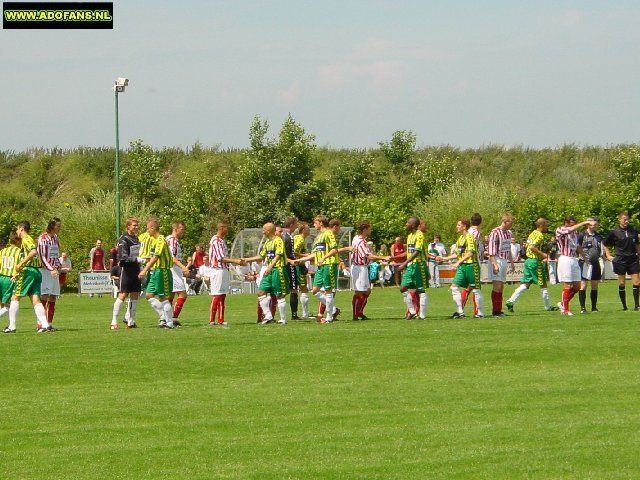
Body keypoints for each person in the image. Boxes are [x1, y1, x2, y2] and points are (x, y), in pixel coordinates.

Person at [6, 220, 51, 333]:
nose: (16, 231)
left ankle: (12, 326)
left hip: (28, 272)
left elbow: (33, 252)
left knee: (15, 297)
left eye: (17, 229)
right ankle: (45, 325)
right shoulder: (29, 239)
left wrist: (21, 264)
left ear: (21, 228)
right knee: (35, 299)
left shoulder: (26, 239)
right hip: (35, 271)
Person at [295, 215, 342, 324]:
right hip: (320, 266)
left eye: (315, 222)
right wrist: (302, 259)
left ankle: (329, 317)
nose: (314, 225)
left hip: (329, 264)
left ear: (321, 223)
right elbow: (315, 254)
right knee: (315, 291)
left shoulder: (328, 233)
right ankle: (334, 310)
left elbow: (334, 249)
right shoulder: (318, 237)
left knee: (328, 290)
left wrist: (324, 258)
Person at [505, 218, 557, 313]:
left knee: (526, 284)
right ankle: (548, 306)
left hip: (528, 261)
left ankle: (510, 301)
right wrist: (543, 254)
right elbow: (532, 247)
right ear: (541, 225)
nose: (547, 227)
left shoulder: (532, 233)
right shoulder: (540, 235)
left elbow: (528, 246)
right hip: (535, 261)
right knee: (543, 284)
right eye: (546, 225)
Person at [243, 222, 290, 324]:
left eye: (264, 229)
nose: (262, 231)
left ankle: (283, 319)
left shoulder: (278, 240)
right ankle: (268, 316)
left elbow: (279, 255)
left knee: (279, 295)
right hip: (269, 270)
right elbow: (261, 256)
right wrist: (247, 260)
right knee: (260, 292)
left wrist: (269, 267)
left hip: (278, 269)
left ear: (269, 230)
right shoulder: (267, 242)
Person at [438, 218, 484, 319]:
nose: (457, 227)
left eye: (459, 225)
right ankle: (460, 312)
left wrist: (458, 262)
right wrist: (444, 258)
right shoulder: (460, 239)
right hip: (463, 266)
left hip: (472, 265)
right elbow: (457, 254)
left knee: (476, 289)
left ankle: (480, 312)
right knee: (454, 286)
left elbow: (471, 252)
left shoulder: (469, 237)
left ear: (464, 226)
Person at [138, 218, 176, 328]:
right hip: (155, 272)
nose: (147, 231)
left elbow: (156, 257)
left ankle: (169, 322)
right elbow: (152, 256)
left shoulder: (160, 239)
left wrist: (144, 270)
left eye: (148, 229)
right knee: (149, 295)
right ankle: (163, 316)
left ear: (153, 228)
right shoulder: (154, 240)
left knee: (163, 297)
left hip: (162, 270)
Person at [349, 221, 390, 320]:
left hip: (361, 267)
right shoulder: (361, 241)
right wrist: (383, 257)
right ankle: (356, 315)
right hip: (359, 267)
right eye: (369, 229)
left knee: (367, 291)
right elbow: (368, 255)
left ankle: (359, 312)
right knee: (359, 292)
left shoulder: (357, 238)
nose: (370, 230)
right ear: (364, 230)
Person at [207, 222, 244, 326]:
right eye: (226, 228)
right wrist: (236, 261)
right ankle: (212, 320)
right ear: (221, 228)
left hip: (223, 270)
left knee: (222, 295)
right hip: (217, 269)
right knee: (217, 294)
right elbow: (221, 258)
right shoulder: (216, 240)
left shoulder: (221, 241)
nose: (227, 230)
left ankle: (221, 319)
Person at [110, 217, 143, 329]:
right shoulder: (123, 239)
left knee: (135, 295)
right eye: (134, 225)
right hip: (126, 270)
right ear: (128, 226)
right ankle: (114, 321)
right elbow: (122, 258)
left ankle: (131, 320)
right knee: (122, 295)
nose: (136, 227)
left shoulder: (136, 239)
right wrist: (136, 259)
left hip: (136, 270)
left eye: (137, 225)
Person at [555, 216, 592, 315]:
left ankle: (562, 303)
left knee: (577, 286)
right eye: (571, 223)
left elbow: (577, 246)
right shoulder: (560, 229)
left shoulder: (574, 233)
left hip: (573, 259)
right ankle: (565, 310)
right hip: (565, 258)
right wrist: (584, 222)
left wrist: (585, 258)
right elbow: (569, 230)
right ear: (566, 223)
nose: (573, 226)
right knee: (567, 284)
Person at [604, 211, 640, 311]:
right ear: (619, 219)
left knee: (637, 282)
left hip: (633, 258)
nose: (626, 221)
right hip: (620, 259)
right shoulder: (614, 232)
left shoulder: (633, 230)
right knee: (622, 283)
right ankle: (624, 306)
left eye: (627, 219)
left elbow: (637, 243)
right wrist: (608, 255)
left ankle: (637, 305)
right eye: (624, 219)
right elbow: (605, 244)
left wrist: (638, 253)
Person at [396, 216, 429, 320]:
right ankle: (412, 311)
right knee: (403, 288)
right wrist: (394, 257)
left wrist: (404, 263)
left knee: (420, 290)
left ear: (413, 225)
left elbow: (417, 251)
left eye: (407, 223)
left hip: (419, 265)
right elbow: (409, 252)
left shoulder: (420, 235)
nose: (406, 224)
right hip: (411, 266)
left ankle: (422, 315)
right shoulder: (410, 236)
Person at [486, 214, 516, 317]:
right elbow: (491, 250)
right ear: (505, 222)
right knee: (497, 285)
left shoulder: (508, 233)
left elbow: (508, 248)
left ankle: (499, 310)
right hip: (497, 259)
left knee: (502, 286)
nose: (511, 226)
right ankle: (495, 311)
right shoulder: (495, 233)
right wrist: (494, 264)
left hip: (504, 260)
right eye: (510, 223)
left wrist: (511, 262)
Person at [37, 217, 62, 327]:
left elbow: (56, 254)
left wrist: (58, 266)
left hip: (54, 270)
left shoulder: (55, 238)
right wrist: (51, 269)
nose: (59, 228)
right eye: (58, 226)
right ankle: (41, 323)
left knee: (53, 296)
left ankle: (49, 323)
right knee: (44, 295)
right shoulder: (42, 238)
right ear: (52, 226)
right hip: (45, 270)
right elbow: (42, 257)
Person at [577, 217, 604, 313]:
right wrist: (584, 258)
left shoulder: (598, 236)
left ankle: (594, 307)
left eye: (595, 225)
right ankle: (582, 308)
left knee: (595, 285)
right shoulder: (582, 235)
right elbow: (578, 247)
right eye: (592, 225)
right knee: (583, 284)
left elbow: (601, 247)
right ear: (587, 225)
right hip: (584, 263)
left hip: (595, 262)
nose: (594, 226)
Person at [166, 220, 190, 327]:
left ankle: (167, 318)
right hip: (173, 269)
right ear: (175, 229)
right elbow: (172, 257)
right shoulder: (172, 240)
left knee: (171, 294)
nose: (183, 232)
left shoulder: (170, 239)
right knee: (182, 294)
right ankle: (173, 318)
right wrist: (183, 267)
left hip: (173, 269)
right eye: (181, 229)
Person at [0, 235, 21, 331]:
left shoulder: (3, 251)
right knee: (11, 304)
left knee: (4, 304)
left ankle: (10, 325)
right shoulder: (19, 252)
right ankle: (12, 325)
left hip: (1, 278)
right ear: (17, 241)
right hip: (11, 279)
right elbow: (22, 265)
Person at [282, 217, 301, 319]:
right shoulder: (287, 237)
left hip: (287, 265)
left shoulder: (285, 236)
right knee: (293, 289)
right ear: (291, 225)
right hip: (289, 266)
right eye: (295, 225)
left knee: (287, 289)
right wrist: (292, 261)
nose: (296, 227)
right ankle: (294, 315)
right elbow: (286, 254)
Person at [293, 222, 311, 318]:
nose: (309, 230)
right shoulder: (300, 240)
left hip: (296, 265)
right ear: (303, 230)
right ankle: (305, 313)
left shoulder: (296, 237)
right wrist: (306, 255)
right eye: (308, 229)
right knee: (304, 289)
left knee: (295, 289)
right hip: (298, 265)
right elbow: (295, 252)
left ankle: (297, 313)